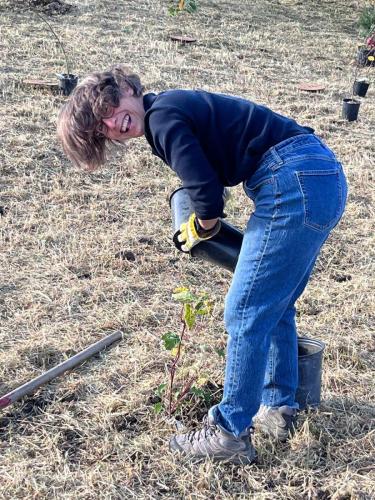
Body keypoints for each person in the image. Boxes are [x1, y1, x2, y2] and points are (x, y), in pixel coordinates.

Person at [57, 65, 347, 465]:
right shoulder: (171, 110)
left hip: (294, 178)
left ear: (126, 88)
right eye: (100, 128)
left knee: (244, 309)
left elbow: (206, 193)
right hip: (319, 176)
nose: (111, 122)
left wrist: (202, 226)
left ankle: (228, 434)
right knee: (271, 302)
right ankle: (278, 408)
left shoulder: (160, 116)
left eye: (108, 107)